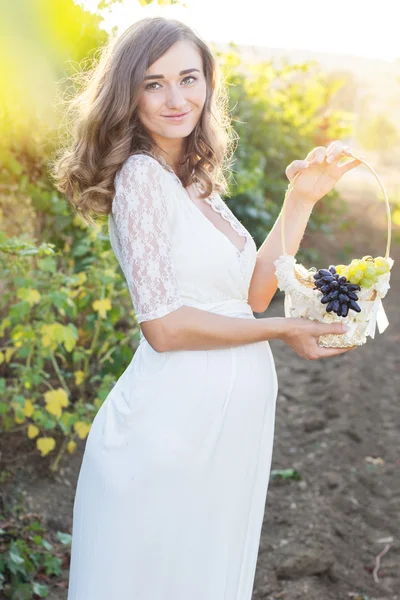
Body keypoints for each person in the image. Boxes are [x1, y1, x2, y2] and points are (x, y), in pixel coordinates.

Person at [51, 16, 361, 600]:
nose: (176, 99)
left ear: (208, 84)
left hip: (221, 431)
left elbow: (247, 297)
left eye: (188, 78)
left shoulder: (193, 183)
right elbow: (164, 327)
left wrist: (301, 199)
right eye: (153, 83)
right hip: (168, 433)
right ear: (128, 93)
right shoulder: (142, 178)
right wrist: (288, 328)